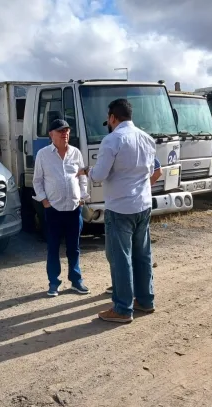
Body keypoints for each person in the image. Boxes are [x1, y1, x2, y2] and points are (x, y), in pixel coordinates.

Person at [79, 98, 162, 323]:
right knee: (142, 255)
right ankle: (145, 301)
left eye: (108, 118)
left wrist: (88, 171)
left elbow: (99, 175)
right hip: (143, 205)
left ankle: (123, 309)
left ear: (113, 117)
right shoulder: (147, 139)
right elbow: (154, 170)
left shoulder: (112, 139)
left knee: (120, 258)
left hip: (120, 207)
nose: (108, 121)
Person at [33, 119, 91, 297]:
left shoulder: (76, 153)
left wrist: (82, 198)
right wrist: (44, 202)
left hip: (74, 209)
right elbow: (37, 180)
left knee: (74, 247)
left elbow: (82, 178)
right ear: (51, 134)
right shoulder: (43, 155)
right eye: (60, 131)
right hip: (54, 209)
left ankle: (76, 280)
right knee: (53, 247)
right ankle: (53, 283)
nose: (65, 134)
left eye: (66, 131)